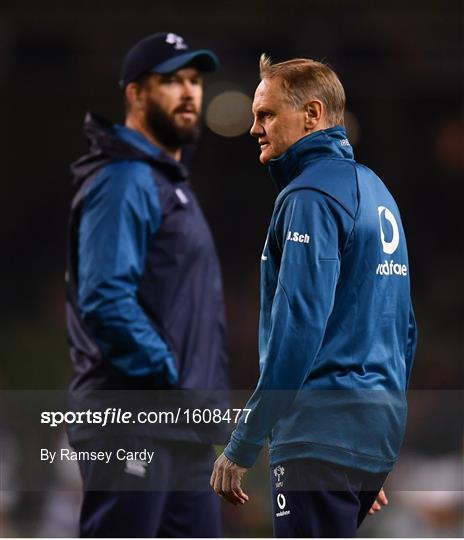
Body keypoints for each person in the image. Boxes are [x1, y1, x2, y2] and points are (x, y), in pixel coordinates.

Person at [211, 55, 417, 538]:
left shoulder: (308, 197)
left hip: (319, 435)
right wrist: (366, 444)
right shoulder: (378, 191)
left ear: (312, 114)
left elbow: (298, 331)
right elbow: (405, 330)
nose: (253, 127)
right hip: (372, 437)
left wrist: (242, 445)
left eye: (265, 114)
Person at [65, 32, 229, 537]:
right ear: (135, 94)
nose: (188, 93)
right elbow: (105, 299)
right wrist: (170, 375)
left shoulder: (167, 184)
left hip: (178, 427)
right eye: (171, 81)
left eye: (195, 80)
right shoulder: (125, 180)